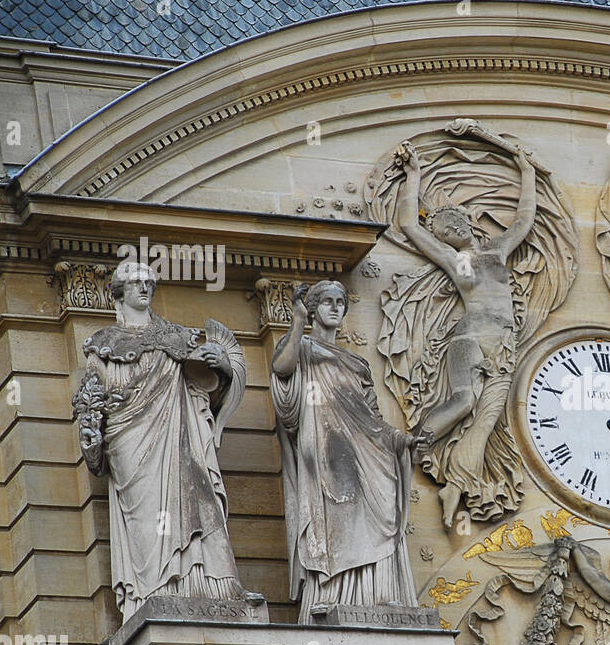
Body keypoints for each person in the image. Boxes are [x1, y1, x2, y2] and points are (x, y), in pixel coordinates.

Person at [74, 261, 254, 617]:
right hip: (129, 440)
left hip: (179, 438)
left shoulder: (176, 337)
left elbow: (205, 399)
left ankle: (212, 587)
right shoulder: (103, 345)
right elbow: (92, 402)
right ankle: (154, 591)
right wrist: (92, 432)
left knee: (199, 499)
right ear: (119, 291)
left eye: (148, 282)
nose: (144, 287)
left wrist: (221, 366)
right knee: (148, 520)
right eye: (135, 282)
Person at [395, 135, 537, 528]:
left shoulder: (497, 250)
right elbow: (409, 223)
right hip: (470, 335)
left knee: (488, 416)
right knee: (463, 401)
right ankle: (408, 450)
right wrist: (414, 175)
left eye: (450, 222)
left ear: (465, 221)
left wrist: (526, 171)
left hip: (504, 345)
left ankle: (456, 483)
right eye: (440, 228)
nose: (447, 229)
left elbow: (524, 219)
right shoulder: (454, 260)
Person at [271, 279, 429, 620]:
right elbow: (281, 370)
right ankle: (330, 593)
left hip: (364, 449)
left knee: (374, 512)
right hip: (325, 442)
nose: (334, 307)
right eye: (326, 301)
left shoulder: (357, 363)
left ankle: (374, 595)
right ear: (313, 308)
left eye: (339, 302)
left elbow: (372, 418)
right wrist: (298, 323)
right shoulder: (302, 347)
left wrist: (401, 441)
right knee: (335, 517)